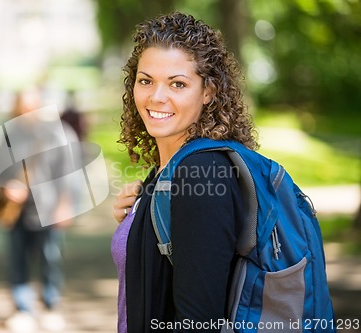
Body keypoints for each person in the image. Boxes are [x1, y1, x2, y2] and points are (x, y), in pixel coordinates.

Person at [110, 12, 258, 332]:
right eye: (146, 80)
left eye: (178, 84)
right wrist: (136, 223)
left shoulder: (201, 173)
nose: (156, 97)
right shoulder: (167, 171)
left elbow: (198, 322)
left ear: (208, 92)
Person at [0, 88, 76, 332]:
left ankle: (51, 306)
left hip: (49, 209)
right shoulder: (7, 135)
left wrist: (66, 204)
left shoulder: (57, 133)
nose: (28, 111)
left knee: (49, 259)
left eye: (33, 105)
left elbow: (70, 170)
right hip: (17, 211)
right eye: (24, 106)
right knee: (17, 260)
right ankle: (23, 309)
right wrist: (6, 187)